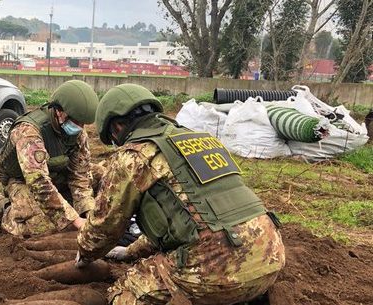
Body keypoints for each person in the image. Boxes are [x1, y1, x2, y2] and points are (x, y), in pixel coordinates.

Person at [76, 84, 285, 304]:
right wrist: (131, 251)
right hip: (270, 258)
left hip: (215, 273)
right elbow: (190, 217)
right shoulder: (204, 140)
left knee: (122, 294)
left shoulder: (133, 156)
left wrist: (86, 252)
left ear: (117, 127)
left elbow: (105, 224)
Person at [0, 80, 99, 238]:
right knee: (41, 227)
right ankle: (3, 207)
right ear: (58, 111)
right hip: (21, 180)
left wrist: (88, 211)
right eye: (76, 121)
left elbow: (81, 175)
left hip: (54, 173)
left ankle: (65, 204)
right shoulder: (29, 132)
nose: (80, 127)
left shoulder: (77, 134)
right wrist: (76, 221)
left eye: (83, 123)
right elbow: (38, 182)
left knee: (105, 175)